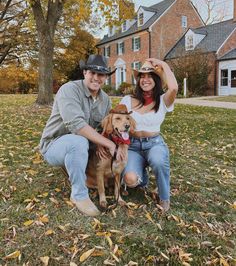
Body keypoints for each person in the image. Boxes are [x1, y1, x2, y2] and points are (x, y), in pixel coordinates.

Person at [39, 54, 119, 217]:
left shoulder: (105, 101)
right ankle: (79, 195)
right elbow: (77, 126)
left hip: (84, 146)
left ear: (106, 77)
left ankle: (76, 167)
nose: (96, 78)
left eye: (101, 74)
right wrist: (109, 144)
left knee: (85, 144)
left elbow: (101, 129)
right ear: (85, 73)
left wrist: (107, 144)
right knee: (78, 142)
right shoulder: (69, 89)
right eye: (92, 73)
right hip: (55, 145)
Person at [120, 58, 178, 212]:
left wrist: (164, 65)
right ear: (138, 80)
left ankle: (164, 197)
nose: (145, 80)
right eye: (142, 76)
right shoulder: (127, 100)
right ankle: (142, 178)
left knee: (158, 162)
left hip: (154, 143)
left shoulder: (163, 99)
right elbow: (117, 123)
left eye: (150, 75)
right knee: (130, 180)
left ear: (156, 79)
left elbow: (173, 88)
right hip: (132, 146)